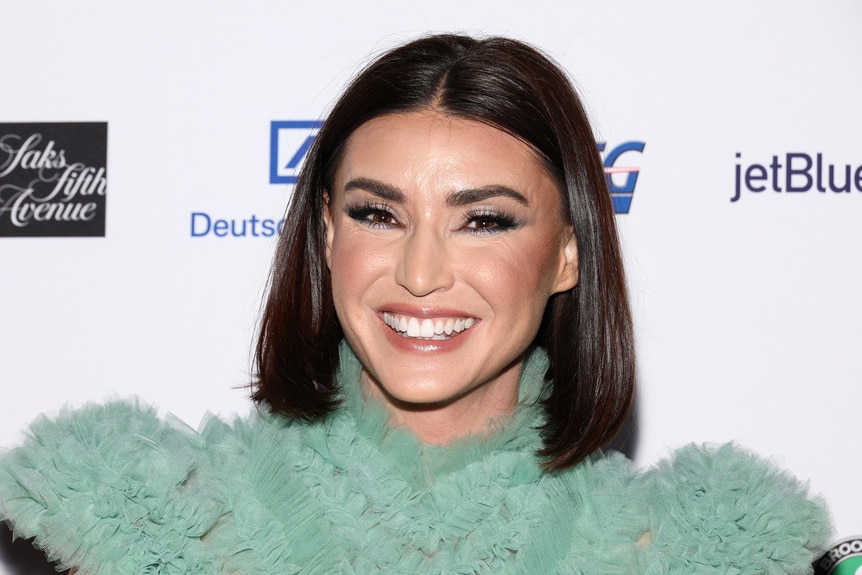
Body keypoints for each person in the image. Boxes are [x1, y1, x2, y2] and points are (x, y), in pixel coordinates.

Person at [0, 34, 831, 574]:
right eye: (379, 213)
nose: (422, 271)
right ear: (326, 235)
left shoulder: (683, 554)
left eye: (484, 220)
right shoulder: (150, 528)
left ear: (568, 253)